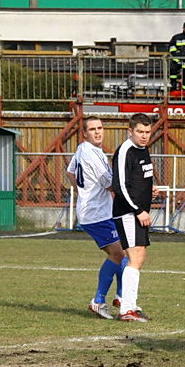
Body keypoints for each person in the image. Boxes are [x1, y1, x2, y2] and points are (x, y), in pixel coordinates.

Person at [66, 117, 128, 320]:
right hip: (96, 214)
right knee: (118, 254)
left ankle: (120, 296)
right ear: (85, 133)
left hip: (100, 211)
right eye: (92, 129)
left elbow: (70, 172)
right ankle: (99, 301)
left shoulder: (83, 149)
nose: (97, 132)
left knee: (125, 251)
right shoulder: (91, 154)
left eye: (100, 128)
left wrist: (85, 191)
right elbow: (110, 183)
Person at [112, 113, 159, 322]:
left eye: (147, 132)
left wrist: (150, 190)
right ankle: (126, 309)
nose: (144, 136)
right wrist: (138, 210)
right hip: (128, 212)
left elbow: (138, 179)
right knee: (134, 258)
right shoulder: (125, 151)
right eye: (140, 132)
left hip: (139, 212)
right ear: (130, 131)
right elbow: (120, 186)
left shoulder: (143, 149)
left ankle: (130, 304)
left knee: (140, 258)